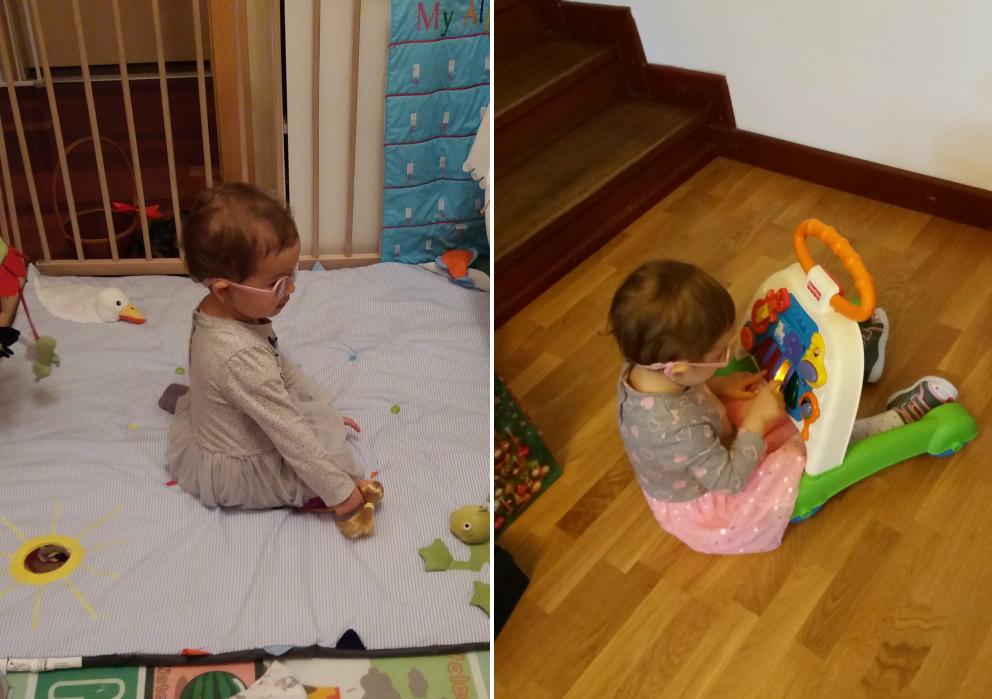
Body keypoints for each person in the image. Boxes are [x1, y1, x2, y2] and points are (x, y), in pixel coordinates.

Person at [609, 259, 957, 553]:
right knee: (801, 450)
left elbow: (685, 397)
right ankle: (894, 422)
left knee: (772, 400)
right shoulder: (679, 432)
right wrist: (756, 423)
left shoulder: (643, 370)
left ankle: (860, 360)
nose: (726, 355)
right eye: (719, 353)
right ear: (679, 369)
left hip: (705, 441)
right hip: (719, 497)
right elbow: (730, 479)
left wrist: (715, 384)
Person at [164, 183, 369, 522]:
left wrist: (322, 409)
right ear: (224, 290)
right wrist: (340, 492)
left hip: (225, 418)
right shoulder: (238, 356)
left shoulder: (223, 310)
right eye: (277, 283)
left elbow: (279, 362)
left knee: (313, 423)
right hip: (238, 467)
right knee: (328, 467)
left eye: (292, 275)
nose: (291, 289)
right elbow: (291, 436)